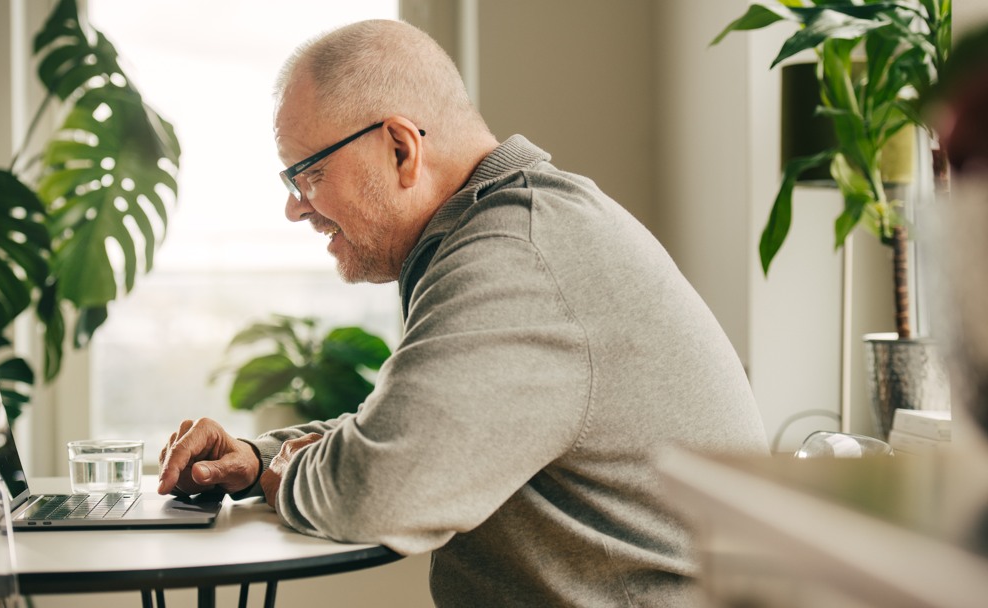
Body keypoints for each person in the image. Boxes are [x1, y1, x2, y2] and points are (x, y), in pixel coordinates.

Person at [158, 18, 769, 607]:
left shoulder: (516, 254)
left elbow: (376, 490)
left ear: (400, 148)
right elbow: (408, 428)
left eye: (309, 174)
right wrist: (263, 456)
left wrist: (283, 473)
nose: (296, 209)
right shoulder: (513, 228)